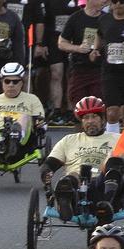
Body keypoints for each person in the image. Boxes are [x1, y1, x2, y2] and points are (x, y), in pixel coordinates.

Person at [41, 96, 120, 223]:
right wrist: (47, 173)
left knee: (113, 161)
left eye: (94, 116)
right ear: (81, 122)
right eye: (86, 118)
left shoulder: (118, 139)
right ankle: (65, 199)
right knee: (71, 176)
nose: (90, 121)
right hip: (77, 188)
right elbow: (49, 164)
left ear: (103, 119)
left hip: (105, 185)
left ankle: (106, 203)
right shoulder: (69, 140)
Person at [0, 61, 44, 178]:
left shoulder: (32, 99)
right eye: (7, 81)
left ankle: (15, 140)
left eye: (15, 81)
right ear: (2, 82)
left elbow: (39, 120)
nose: (11, 85)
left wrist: (39, 124)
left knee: (24, 116)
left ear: (22, 83)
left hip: (23, 141)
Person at [57, 0, 104, 124]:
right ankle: (80, 141)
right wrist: (78, 48)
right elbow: (61, 43)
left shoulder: (106, 19)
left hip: (100, 70)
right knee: (79, 110)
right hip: (79, 69)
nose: (104, 1)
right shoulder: (76, 18)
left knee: (98, 109)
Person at [95, 0, 124, 135]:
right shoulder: (104, 19)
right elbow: (99, 36)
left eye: (122, 2)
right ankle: (113, 148)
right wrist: (95, 49)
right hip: (110, 72)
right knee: (112, 113)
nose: (118, 4)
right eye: (114, 1)